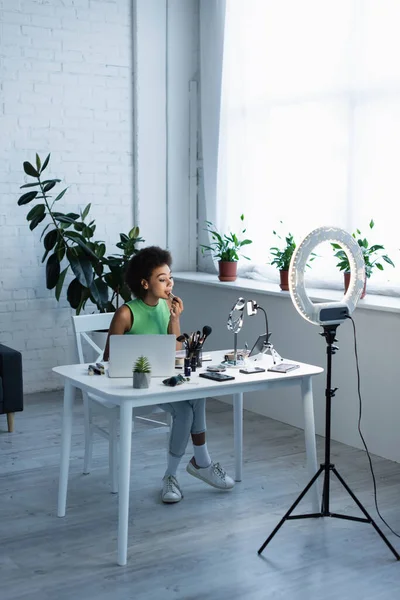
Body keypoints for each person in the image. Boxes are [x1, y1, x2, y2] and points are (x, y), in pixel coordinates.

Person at [103, 246, 235, 503]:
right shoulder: (126, 313)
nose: (169, 283)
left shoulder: (166, 307)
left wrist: (175, 319)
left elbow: (174, 349)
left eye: (170, 277)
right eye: (161, 279)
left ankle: (191, 466)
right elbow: (110, 358)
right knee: (185, 411)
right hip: (137, 385)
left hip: (163, 380)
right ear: (144, 283)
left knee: (198, 394)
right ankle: (189, 469)